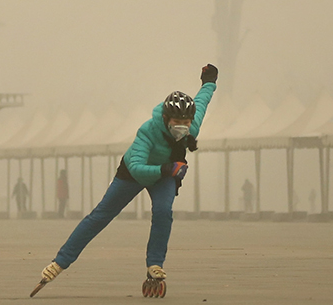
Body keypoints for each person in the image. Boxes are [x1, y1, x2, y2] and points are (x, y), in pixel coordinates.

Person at [33, 64, 217, 298]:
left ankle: (155, 264)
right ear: (165, 117)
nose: (182, 126)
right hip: (133, 172)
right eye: (176, 121)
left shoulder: (193, 123)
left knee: (163, 211)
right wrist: (168, 168)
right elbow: (139, 169)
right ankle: (60, 262)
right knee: (101, 215)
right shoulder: (148, 131)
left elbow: (202, 101)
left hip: (166, 173)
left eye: (186, 122)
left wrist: (209, 81)